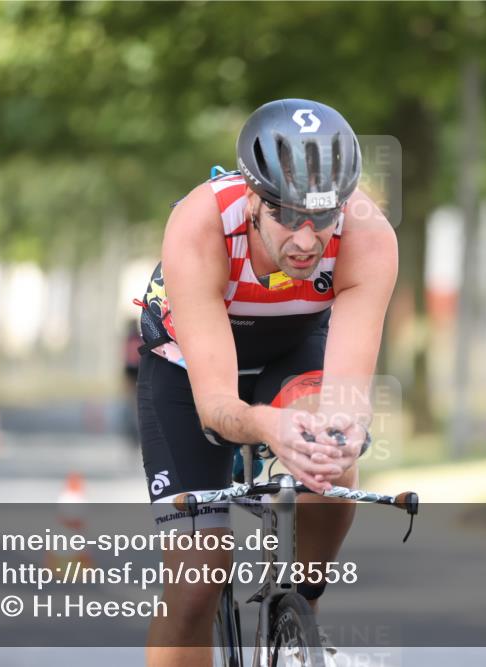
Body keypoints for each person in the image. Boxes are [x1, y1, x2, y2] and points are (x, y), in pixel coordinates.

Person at [135, 98, 397, 667]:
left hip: (291, 348)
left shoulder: (369, 237)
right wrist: (266, 426)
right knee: (197, 582)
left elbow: (348, 398)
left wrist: (342, 433)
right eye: (287, 215)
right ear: (252, 197)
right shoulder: (200, 224)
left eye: (324, 217)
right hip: (188, 370)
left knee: (331, 452)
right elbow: (217, 405)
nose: (307, 239)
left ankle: (304, 609)